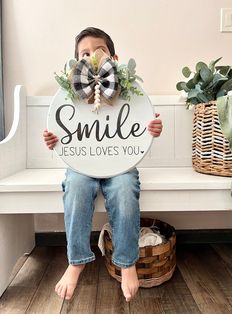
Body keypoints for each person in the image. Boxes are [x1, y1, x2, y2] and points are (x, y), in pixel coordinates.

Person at [43, 27, 163, 302]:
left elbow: (139, 123)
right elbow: (63, 130)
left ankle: (127, 262)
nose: (92, 56)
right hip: (81, 164)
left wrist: (151, 128)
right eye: (85, 53)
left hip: (120, 163)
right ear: (76, 63)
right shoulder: (70, 94)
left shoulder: (128, 93)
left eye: (100, 50)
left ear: (114, 57)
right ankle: (76, 261)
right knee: (75, 186)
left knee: (123, 188)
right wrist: (53, 139)